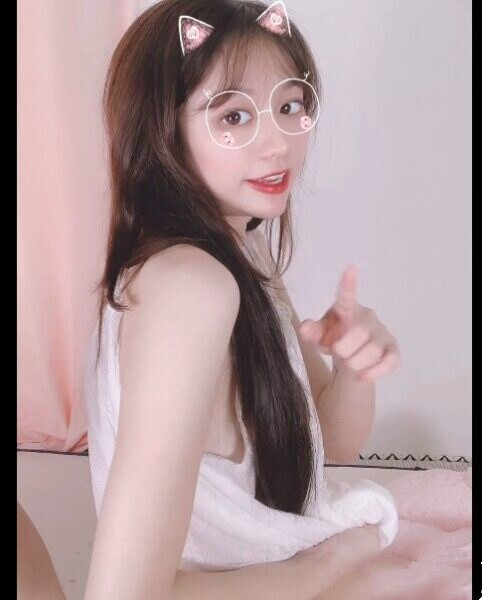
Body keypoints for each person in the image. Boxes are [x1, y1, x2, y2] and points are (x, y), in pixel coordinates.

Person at [83, 1, 409, 598]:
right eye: (233, 116)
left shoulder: (240, 251)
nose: (278, 142)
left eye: (290, 106)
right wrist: (330, 562)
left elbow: (327, 446)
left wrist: (353, 368)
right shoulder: (189, 287)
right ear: (160, 129)